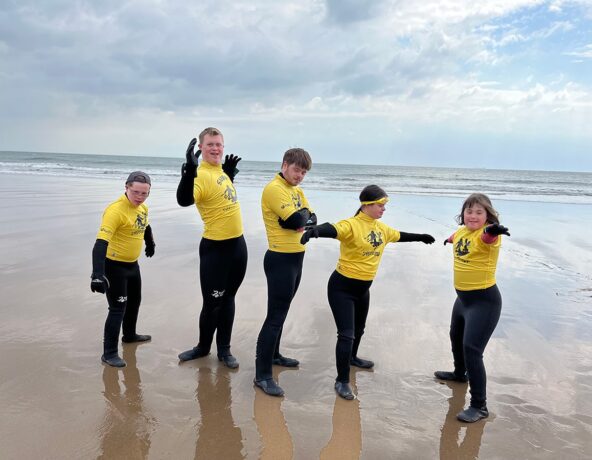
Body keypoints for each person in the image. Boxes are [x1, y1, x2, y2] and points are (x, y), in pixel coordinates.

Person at [300, 185, 435, 399]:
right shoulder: (352, 225)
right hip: (341, 288)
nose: (384, 209)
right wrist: (315, 232)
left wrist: (421, 236)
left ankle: (352, 358)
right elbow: (333, 228)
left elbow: (400, 235)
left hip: (363, 289)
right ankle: (342, 380)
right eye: (380, 205)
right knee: (346, 334)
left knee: (359, 328)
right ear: (366, 205)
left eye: (384, 205)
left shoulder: (381, 229)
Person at [434, 193, 510, 423]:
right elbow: (457, 237)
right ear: (463, 214)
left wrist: (492, 231)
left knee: (472, 349)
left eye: (479, 212)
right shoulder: (461, 232)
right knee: (455, 337)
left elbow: (486, 238)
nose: (473, 216)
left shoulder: (488, 234)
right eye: (469, 211)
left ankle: (479, 406)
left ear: (488, 215)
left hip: (484, 302)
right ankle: (460, 374)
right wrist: (449, 239)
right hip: (463, 301)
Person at [176, 127, 247, 369]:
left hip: (238, 245)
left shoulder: (220, 171)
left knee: (229, 299)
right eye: (210, 145)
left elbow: (221, 199)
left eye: (219, 144)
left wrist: (228, 175)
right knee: (212, 303)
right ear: (200, 148)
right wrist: (188, 172)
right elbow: (184, 200)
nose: (216, 149)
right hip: (216, 250)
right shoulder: (200, 174)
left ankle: (224, 350)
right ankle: (203, 347)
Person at [254, 148, 316, 397]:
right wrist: (299, 220)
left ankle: (275, 355)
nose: (300, 175)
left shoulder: (296, 191)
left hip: (296, 258)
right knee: (275, 316)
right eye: (296, 170)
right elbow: (294, 221)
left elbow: (311, 219)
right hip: (280, 258)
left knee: (283, 311)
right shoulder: (274, 189)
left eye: (303, 172)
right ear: (284, 165)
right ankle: (262, 375)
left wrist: (302, 219)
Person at [91, 171, 155, 368]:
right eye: (136, 192)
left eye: (145, 193)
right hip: (114, 267)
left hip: (132, 266)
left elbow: (145, 225)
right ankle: (109, 353)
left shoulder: (142, 207)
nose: (140, 197)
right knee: (117, 309)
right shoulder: (115, 211)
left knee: (134, 302)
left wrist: (149, 242)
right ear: (126, 187)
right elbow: (100, 243)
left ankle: (129, 335)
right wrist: (97, 274)